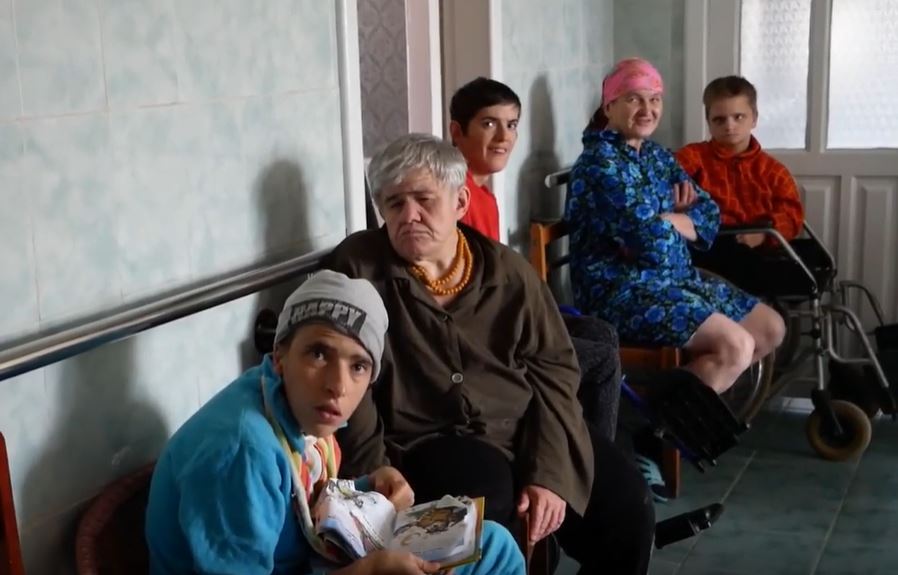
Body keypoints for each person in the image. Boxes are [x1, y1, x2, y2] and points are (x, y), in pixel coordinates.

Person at [326, 133, 656, 575]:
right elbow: (350, 384)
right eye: (394, 203)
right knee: (487, 509)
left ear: (461, 201)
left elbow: (555, 371)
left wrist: (549, 471)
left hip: (521, 422)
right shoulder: (358, 270)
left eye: (424, 200)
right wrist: (374, 476)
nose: (409, 216)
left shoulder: (508, 272)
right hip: (429, 437)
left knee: (628, 508)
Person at [144, 270, 525, 575]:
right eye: (318, 354)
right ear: (280, 355)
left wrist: (369, 486)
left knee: (490, 545)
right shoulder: (242, 449)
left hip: (307, 560)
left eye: (358, 366)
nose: (338, 386)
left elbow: (296, 497)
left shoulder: (291, 406)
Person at [566, 58, 785, 394]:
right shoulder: (599, 165)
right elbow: (651, 243)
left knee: (770, 328)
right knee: (735, 346)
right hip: (621, 292)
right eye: (634, 99)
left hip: (674, 280)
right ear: (609, 106)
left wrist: (670, 220)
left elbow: (709, 213)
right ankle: (665, 422)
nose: (647, 110)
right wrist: (674, 222)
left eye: (654, 99)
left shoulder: (656, 156)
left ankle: (679, 408)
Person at [676, 75, 819, 297]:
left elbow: (791, 215)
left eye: (738, 117)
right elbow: (664, 179)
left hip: (759, 247)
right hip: (709, 247)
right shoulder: (693, 157)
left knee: (807, 260)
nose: (729, 126)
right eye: (719, 120)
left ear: (754, 119)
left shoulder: (773, 172)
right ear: (709, 122)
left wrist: (761, 237)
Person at [449, 77, 521, 242]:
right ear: (457, 132)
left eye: (511, 125)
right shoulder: (454, 196)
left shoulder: (484, 196)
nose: (503, 137)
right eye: (489, 124)